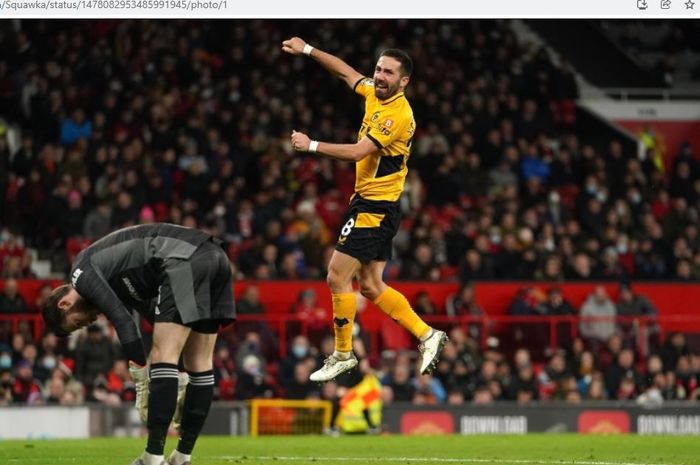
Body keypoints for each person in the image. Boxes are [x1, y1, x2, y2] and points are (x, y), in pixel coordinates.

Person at [282, 37, 447, 382]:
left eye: (389, 72)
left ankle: (343, 353)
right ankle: (427, 335)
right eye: (378, 69)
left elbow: (359, 152)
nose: (380, 76)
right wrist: (308, 50)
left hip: (375, 207)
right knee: (371, 285)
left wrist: (310, 145)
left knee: (336, 277)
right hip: (377, 204)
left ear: (404, 81)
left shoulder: (397, 115)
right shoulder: (376, 92)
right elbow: (345, 72)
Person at [41, 223, 236, 465]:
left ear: (64, 305)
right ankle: (182, 456)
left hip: (183, 258)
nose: (89, 322)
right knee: (198, 363)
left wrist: (142, 379)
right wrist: (180, 377)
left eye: (77, 323)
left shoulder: (80, 274)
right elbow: (153, 315)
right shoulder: (116, 277)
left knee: (163, 354)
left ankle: (152, 457)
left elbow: (123, 320)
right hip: (216, 258)